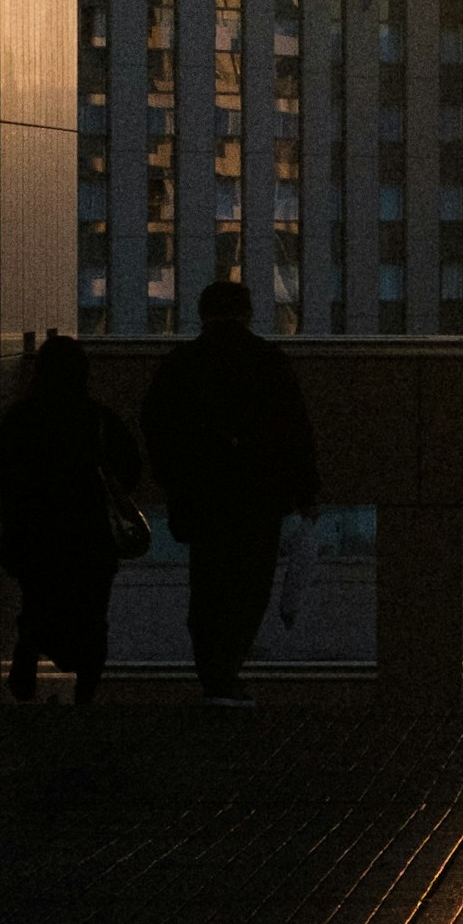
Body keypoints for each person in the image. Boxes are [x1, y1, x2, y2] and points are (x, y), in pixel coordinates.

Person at [141, 267, 321, 712]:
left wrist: (175, 479)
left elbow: (157, 426)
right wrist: (305, 488)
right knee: (250, 585)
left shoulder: (182, 364)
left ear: (203, 314)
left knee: (208, 584)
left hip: (204, 493)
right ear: (247, 313)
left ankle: (214, 673)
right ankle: (226, 670)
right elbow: (295, 429)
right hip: (259, 494)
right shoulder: (268, 361)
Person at [0, 329, 147, 711]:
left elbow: (3, 472)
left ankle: (30, 645)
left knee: (37, 600)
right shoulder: (97, 420)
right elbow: (130, 470)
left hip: (35, 532)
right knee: (93, 613)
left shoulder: (21, 419)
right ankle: (85, 693)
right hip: (89, 534)